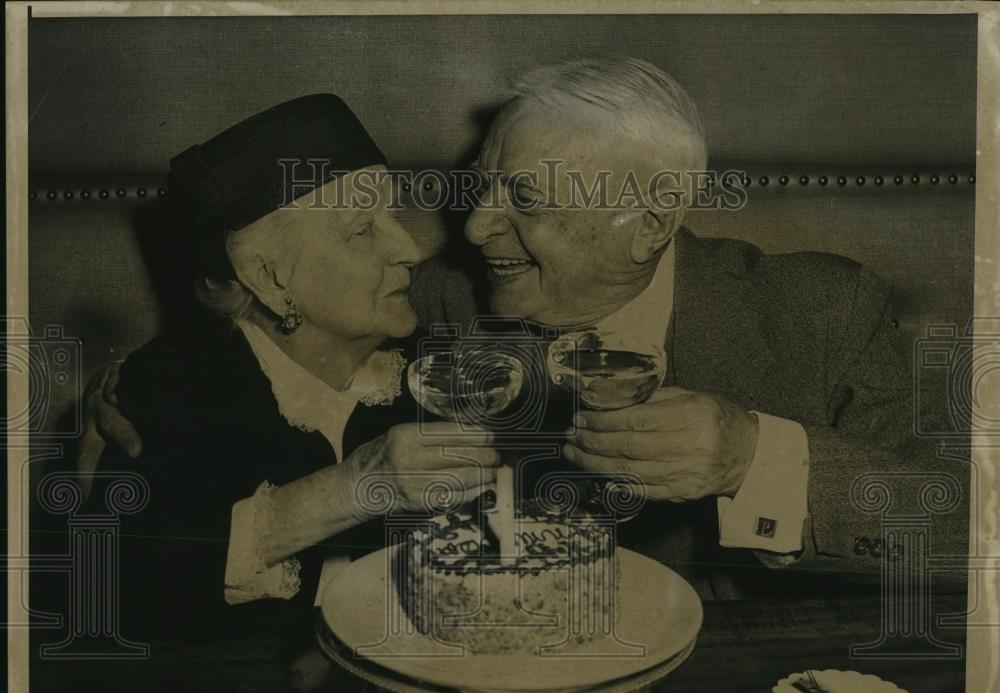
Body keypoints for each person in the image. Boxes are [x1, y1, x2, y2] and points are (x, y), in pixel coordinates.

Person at [82, 59, 968, 597]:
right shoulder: (434, 302)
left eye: (526, 202)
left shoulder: (820, 311)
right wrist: (132, 387)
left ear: (652, 220)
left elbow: (972, 533)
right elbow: (269, 337)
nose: (472, 231)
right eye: (481, 189)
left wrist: (752, 458)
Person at [79, 94, 501, 641]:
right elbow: (115, 593)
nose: (409, 249)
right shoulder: (166, 390)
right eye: (362, 230)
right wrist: (352, 487)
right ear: (270, 279)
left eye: (393, 214)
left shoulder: (440, 370)